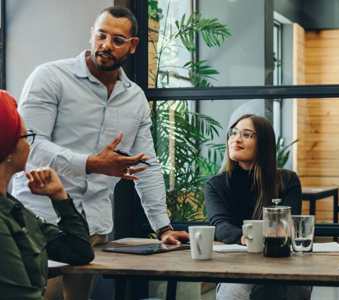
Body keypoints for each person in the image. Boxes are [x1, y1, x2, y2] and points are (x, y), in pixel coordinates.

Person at [11, 6, 188, 300]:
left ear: (132, 46)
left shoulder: (134, 99)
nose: (105, 45)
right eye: (101, 35)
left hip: (91, 228)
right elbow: (31, 147)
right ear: (91, 34)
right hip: (41, 221)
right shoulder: (50, 78)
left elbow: (147, 165)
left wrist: (163, 228)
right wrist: (91, 164)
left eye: (117, 40)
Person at [205, 114, 311, 300]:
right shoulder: (216, 184)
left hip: (281, 261)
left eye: (247, 135)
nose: (236, 139)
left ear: (263, 143)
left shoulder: (287, 181)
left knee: (297, 287)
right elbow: (219, 225)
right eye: (234, 133)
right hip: (237, 263)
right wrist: (246, 238)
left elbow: (285, 226)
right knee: (233, 291)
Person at [0, 90, 94, 299]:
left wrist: (59, 196)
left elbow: (79, 252)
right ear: (8, 148)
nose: (29, 144)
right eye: (26, 136)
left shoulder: (13, 209)